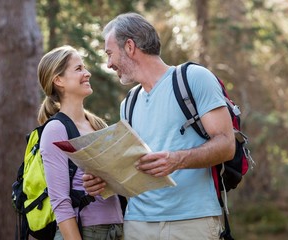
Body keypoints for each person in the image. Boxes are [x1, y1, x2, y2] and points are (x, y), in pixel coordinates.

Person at [82, 13, 235, 240]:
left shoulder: (194, 78)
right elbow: (134, 166)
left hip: (192, 221)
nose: (109, 64)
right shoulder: (129, 104)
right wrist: (106, 180)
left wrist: (177, 159)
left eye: (110, 53)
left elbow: (226, 145)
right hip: (138, 223)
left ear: (130, 46)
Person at [37, 45, 123, 240]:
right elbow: (60, 202)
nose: (87, 73)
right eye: (78, 69)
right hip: (85, 231)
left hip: (116, 229)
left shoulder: (98, 124)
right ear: (58, 80)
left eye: (84, 68)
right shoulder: (55, 129)